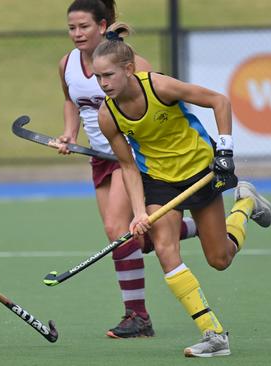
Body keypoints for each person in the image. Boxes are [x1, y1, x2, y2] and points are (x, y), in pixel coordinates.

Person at [93, 23, 271, 357]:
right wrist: (137, 212)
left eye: (108, 76)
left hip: (200, 171)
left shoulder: (159, 86)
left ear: (128, 70)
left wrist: (225, 151)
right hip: (158, 181)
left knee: (220, 258)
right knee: (164, 249)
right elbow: (129, 167)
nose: (103, 84)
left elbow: (219, 101)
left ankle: (244, 203)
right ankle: (213, 334)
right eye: (98, 78)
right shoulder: (109, 115)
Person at [57, 0, 198, 339]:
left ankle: (137, 316)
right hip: (99, 159)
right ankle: (206, 227)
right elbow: (70, 100)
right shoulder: (66, 65)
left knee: (116, 229)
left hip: (130, 159)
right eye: (72, 28)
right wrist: (69, 134)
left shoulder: (132, 63)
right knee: (139, 239)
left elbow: (160, 102)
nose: (77, 34)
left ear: (103, 26)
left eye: (84, 27)